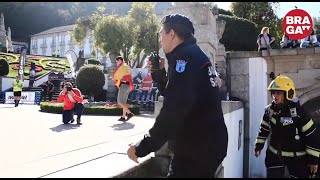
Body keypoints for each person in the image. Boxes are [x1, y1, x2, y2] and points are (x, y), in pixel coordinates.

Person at [126, 13, 228, 178]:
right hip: (204, 145)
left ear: (171, 33)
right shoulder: (192, 55)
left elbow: (173, 109)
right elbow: (178, 95)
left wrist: (143, 146)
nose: (160, 38)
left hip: (196, 149)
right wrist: (159, 74)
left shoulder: (185, 59)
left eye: (161, 33)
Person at [254, 75, 320, 178]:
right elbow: (264, 128)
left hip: (298, 159)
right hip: (275, 156)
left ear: (288, 93)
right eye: (273, 93)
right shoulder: (269, 111)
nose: (275, 96)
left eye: (279, 93)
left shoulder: (299, 113)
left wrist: (314, 161)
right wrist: (258, 145)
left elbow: (312, 136)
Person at [112, 56, 134, 122]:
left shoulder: (122, 67)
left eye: (117, 61)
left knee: (120, 102)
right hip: (127, 86)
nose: (117, 63)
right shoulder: (126, 67)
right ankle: (123, 117)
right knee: (123, 102)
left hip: (124, 86)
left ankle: (129, 113)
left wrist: (114, 78)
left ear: (120, 60)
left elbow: (117, 76)